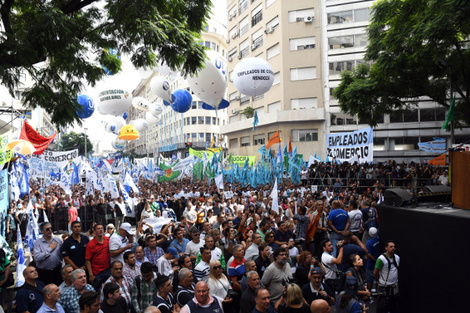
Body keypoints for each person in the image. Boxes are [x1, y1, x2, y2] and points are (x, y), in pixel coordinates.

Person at [374, 240, 400, 313]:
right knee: (382, 306)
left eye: (394, 247)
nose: (393, 248)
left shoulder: (397, 258)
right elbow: (376, 272)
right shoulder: (381, 259)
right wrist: (378, 280)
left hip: (394, 285)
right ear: (386, 248)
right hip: (384, 285)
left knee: (394, 305)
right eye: (391, 247)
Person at [85, 224, 110, 291]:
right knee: (98, 291)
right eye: (98, 229)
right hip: (97, 272)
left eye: (102, 228)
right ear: (94, 231)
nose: (100, 230)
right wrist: (90, 274)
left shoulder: (108, 240)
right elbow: (87, 260)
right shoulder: (90, 244)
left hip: (108, 270)